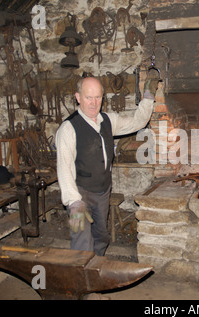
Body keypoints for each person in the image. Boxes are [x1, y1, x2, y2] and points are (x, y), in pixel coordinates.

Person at [55, 76, 157, 255]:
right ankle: (81, 277)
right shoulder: (68, 128)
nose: (94, 103)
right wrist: (74, 202)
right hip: (80, 194)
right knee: (82, 241)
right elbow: (64, 168)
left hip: (102, 192)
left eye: (98, 97)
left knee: (101, 237)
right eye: (88, 98)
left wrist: (148, 97)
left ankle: (96, 270)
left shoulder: (108, 121)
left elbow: (137, 122)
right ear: (78, 97)